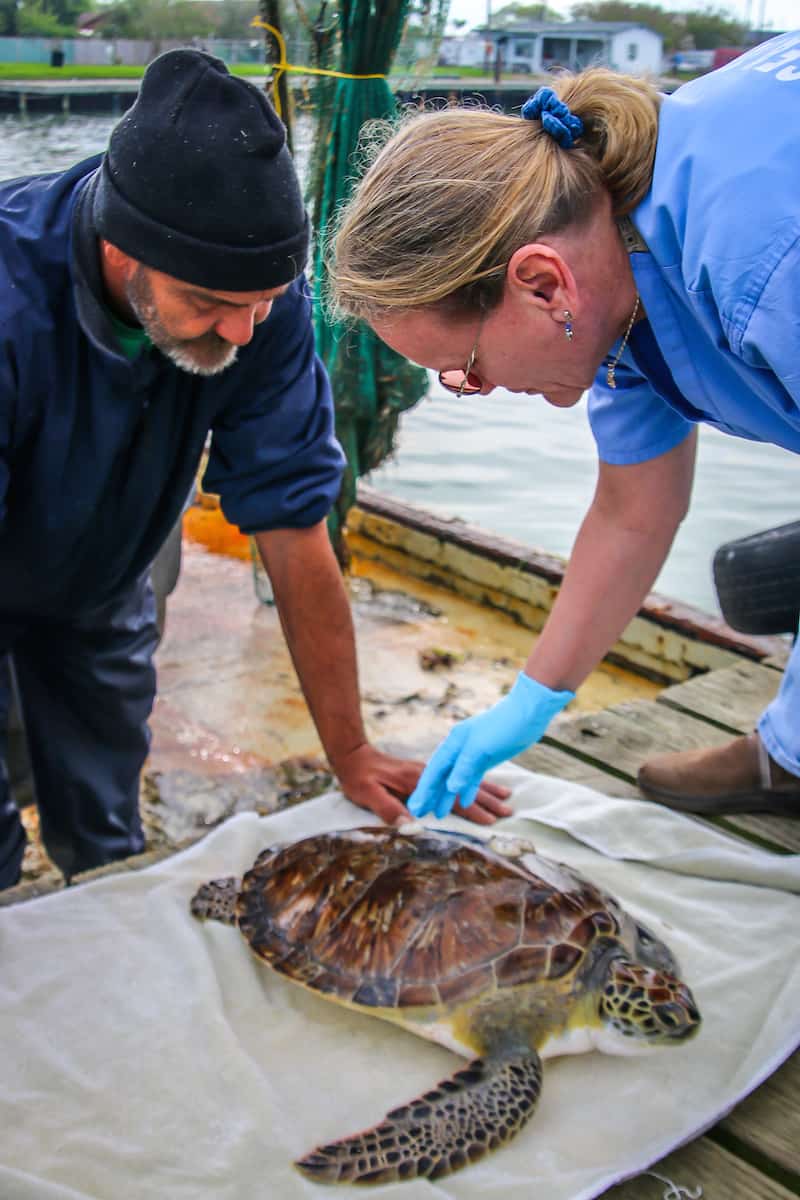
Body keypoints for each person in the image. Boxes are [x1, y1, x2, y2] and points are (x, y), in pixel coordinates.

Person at [0, 49, 512, 890]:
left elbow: (295, 524)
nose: (240, 334)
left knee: (104, 824)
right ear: (121, 249)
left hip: (104, 575)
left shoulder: (254, 308)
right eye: (208, 305)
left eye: (260, 305)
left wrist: (349, 750)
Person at [331, 32, 800, 822]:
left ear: (542, 282)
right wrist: (531, 701)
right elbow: (632, 511)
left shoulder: (763, 259)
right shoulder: (613, 278)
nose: (471, 389)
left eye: (465, 365)